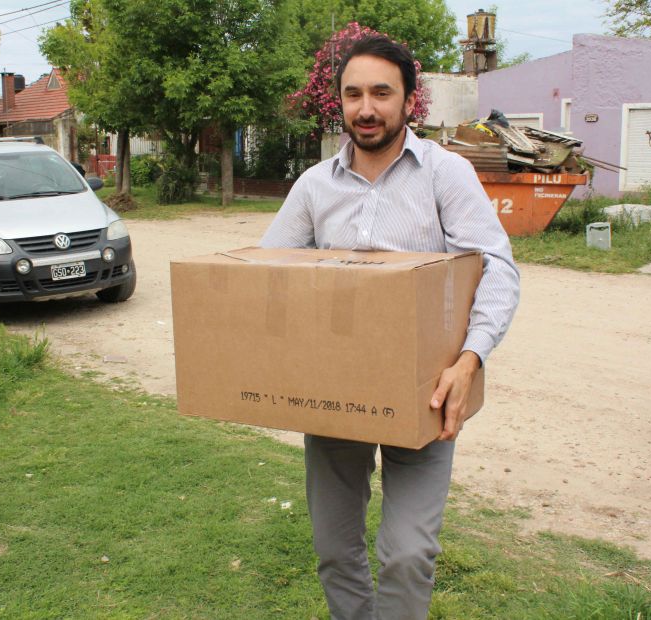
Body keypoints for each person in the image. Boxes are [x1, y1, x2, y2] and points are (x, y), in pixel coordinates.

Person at [259, 35, 520, 619]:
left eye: (381, 92)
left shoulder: (445, 174)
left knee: (407, 552)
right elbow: (268, 275)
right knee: (333, 548)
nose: (366, 108)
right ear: (340, 103)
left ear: (409, 101)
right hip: (333, 390)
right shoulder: (314, 186)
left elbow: (497, 267)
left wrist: (468, 362)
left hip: (426, 391)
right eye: (353, 94)